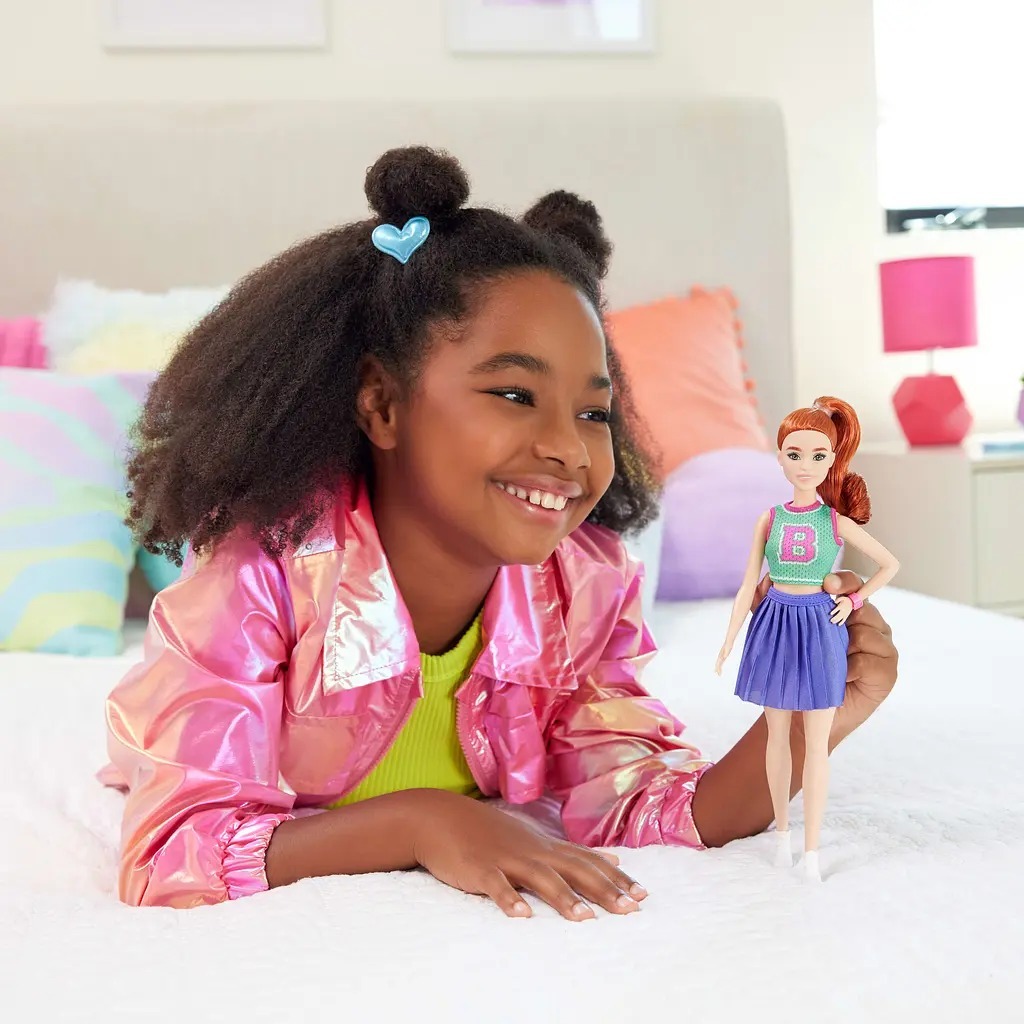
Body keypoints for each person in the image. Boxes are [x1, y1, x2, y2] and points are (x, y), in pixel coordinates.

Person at [102, 146, 899, 916]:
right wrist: (424, 822)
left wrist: (810, 718)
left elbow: (639, 800)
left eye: (593, 413)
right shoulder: (260, 575)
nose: (568, 448)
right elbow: (174, 849)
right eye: (516, 395)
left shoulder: (584, 585)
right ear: (382, 404)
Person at [715, 397, 899, 881]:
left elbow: (888, 564)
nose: (805, 465)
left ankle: (811, 851)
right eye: (795, 454)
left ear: (832, 460)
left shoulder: (834, 521)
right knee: (776, 734)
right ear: (779, 457)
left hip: (819, 624)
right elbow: (748, 584)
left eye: (818, 456)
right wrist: (730, 638)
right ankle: (781, 835)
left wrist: (854, 601)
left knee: (816, 743)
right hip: (774, 620)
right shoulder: (770, 518)